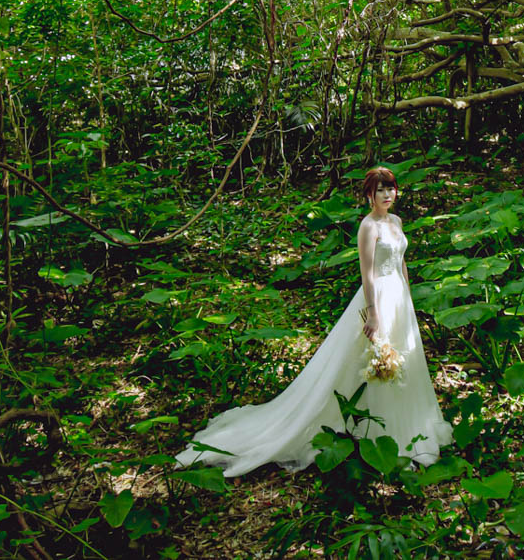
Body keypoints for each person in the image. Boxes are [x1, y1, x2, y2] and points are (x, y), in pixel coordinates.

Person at [177, 166, 453, 476]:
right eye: (380, 190)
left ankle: (410, 426)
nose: (387, 195)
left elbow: (401, 261)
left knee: (404, 359)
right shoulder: (368, 227)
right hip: (377, 297)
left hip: (400, 298)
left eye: (390, 189)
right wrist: (374, 313)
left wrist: (409, 297)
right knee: (372, 362)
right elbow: (368, 272)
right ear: (368, 195)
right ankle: (374, 430)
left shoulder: (396, 222)